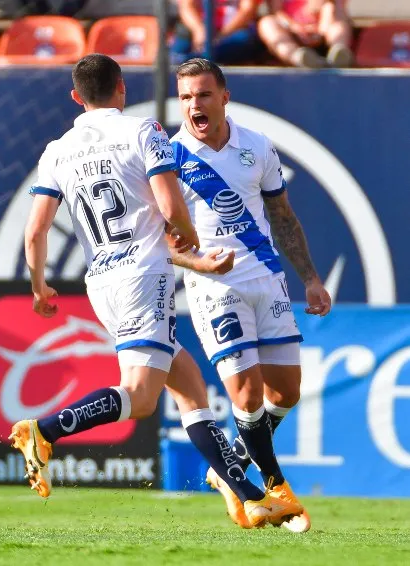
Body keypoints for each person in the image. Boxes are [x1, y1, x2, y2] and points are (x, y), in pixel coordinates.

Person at [8, 53, 300, 529]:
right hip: (143, 277)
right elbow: (170, 207)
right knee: (140, 398)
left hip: (102, 282)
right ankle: (43, 430)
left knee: (190, 391)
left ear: (76, 97)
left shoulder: (56, 150)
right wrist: (194, 243)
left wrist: (39, 284)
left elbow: (36, 231)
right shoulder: (143, 131)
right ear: (121, 89)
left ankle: (251, 497)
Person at [169, 57, 332, 533]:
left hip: (267, 278)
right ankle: (275, 488)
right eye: (185, 98)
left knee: (287, 391)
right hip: (214, 286)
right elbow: (157, 237)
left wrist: (311, 278)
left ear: (224, 96)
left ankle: (229, 470)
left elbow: (282, 216)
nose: (193, 105)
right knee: (247, 392)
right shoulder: (170, 158)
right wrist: (196, 263)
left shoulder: (257, 147)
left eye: (202, 95)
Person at [257, 0, 354, 68]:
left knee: (339, 21)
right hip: (293, 36)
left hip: (322, 35)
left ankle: (338, 53)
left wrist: (319, 31)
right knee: (267, 23)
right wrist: (295, 28)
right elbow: (277, 12)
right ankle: (297, 57)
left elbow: (329, 10)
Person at [172, 0, 262, 65]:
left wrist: (222, 35)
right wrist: (199, 30)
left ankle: (192, 61)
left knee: (244, 39)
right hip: (200, 29)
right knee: (183, 34)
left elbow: (248, 10)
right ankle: (181, 61)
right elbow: (187, 7)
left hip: (232, 32)